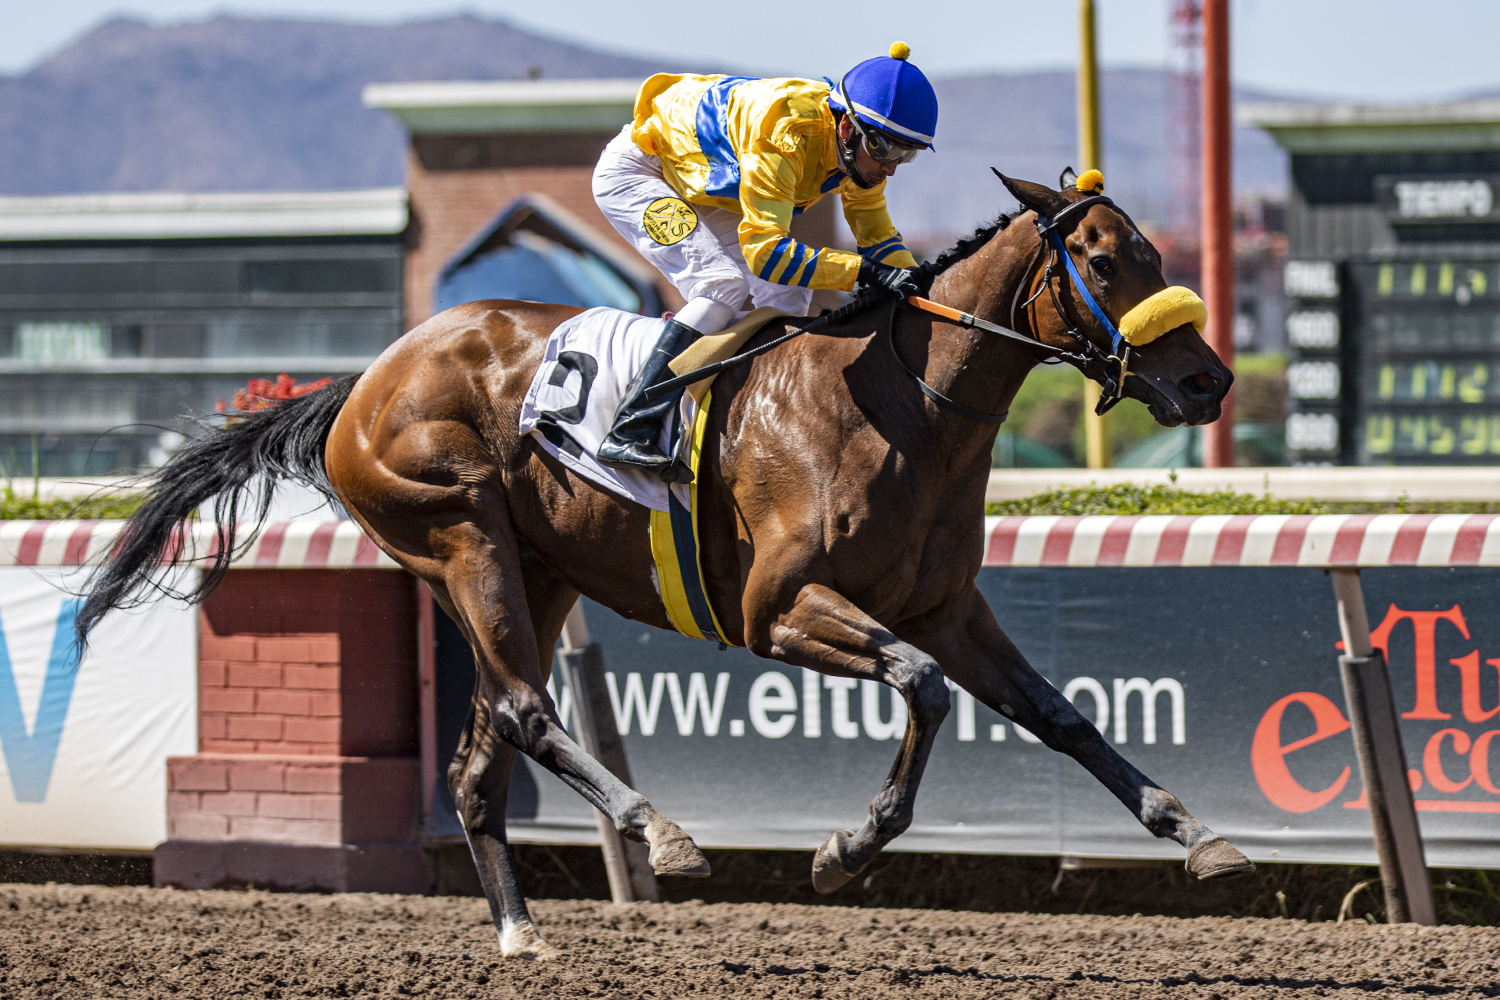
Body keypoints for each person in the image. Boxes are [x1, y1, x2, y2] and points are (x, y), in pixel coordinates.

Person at [591, 42, 938, 477]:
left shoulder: (860, 150)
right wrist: (862, 271)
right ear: (848, 127)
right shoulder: (785, 133)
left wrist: (924, 283)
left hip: (709, 187)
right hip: (640, 172)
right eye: (887, 151)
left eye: (907, 155)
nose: (891, 168)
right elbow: (766, 254)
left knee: (789, 298)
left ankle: (761, 422)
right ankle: (632, 424)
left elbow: (878, 238)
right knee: (721, 286)